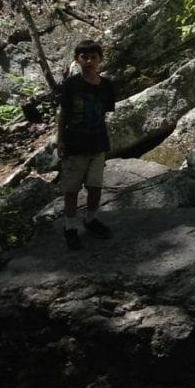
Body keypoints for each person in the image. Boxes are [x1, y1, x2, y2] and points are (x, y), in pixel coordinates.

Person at [56, 39, 117, 250]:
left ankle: (91, 220)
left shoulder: (107, 86)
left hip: (98, 144)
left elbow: (104, 115)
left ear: (100, 59)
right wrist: (59, 140)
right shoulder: (71, 85)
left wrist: (107, 144)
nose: (89, 61)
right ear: (77, 59)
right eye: (84, 57)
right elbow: (63, 113)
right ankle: (70, 227)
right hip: (74, 144)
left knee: (95, 186)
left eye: (93, 57)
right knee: (71, 190)